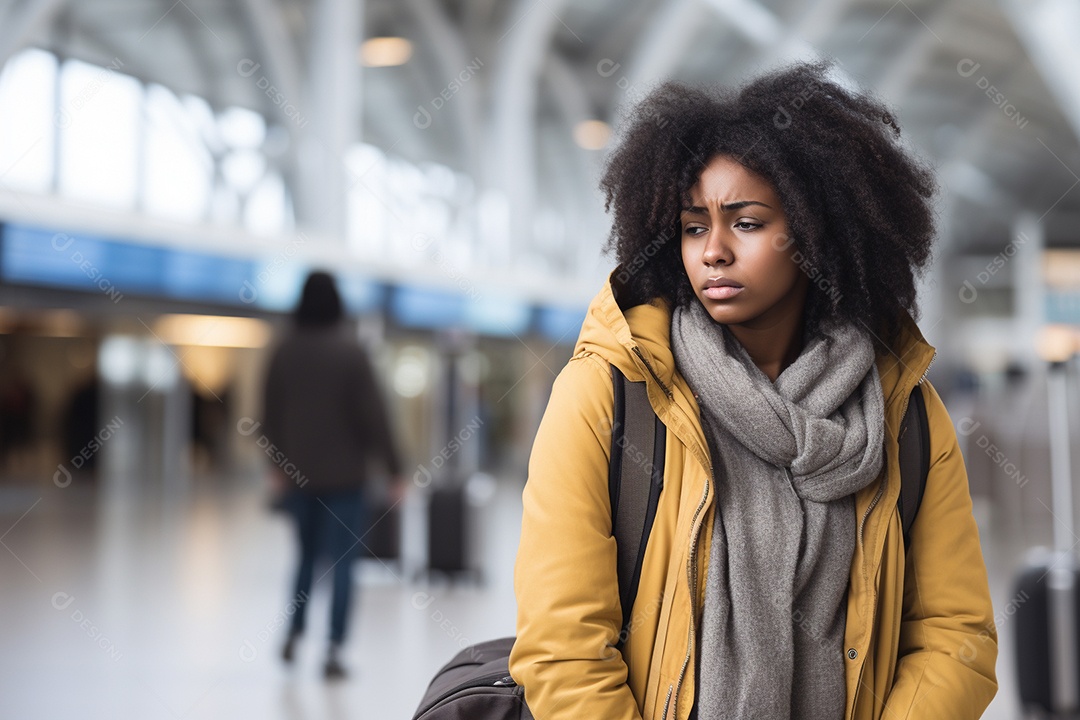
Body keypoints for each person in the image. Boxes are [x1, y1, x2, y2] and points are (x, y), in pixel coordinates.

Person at [509, 61, 998, 719]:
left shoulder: (903, 415)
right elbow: (563, 648)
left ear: (816, 234)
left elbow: (955, 635)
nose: (713, 250)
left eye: (745, 222)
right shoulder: (610, 394)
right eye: (693, 225)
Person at [262, 271, 403, 680]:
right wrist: (394, 468)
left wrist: (276, 463)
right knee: (343, 563)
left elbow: (268, 414)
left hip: (298, 477)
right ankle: (334, 649)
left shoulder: (284, 350)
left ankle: (294, 632)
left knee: (305, 557)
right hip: (346, 480)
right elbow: (374, 416)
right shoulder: (351, 351)